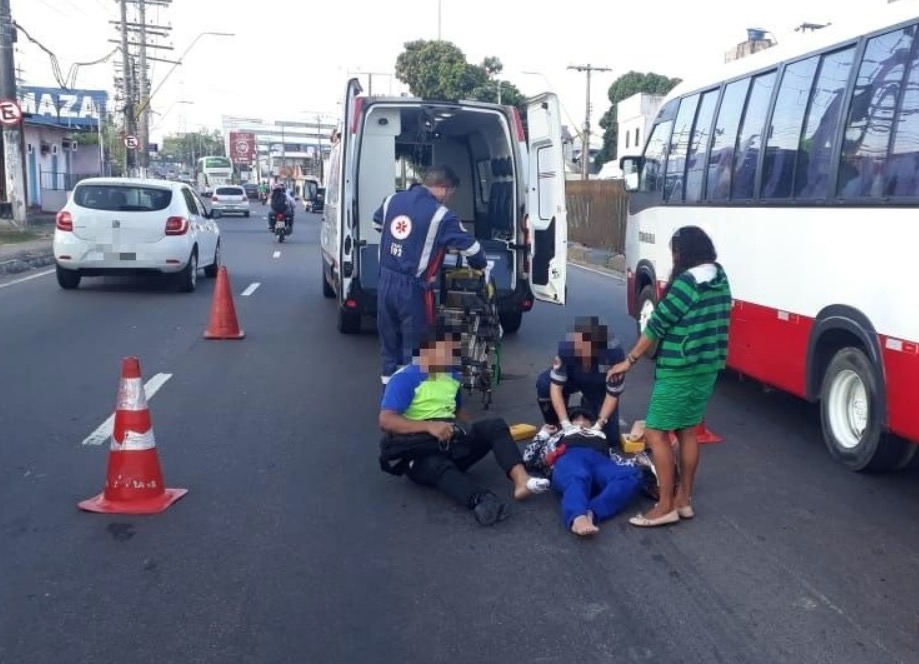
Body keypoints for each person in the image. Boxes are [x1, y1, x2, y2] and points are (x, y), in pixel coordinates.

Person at [607, 226, 731, 527]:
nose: (672, 258)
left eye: (674, 252)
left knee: (655, 433)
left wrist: (629, 361)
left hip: (680, 368)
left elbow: (657, 325)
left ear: (682, 253)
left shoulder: (687, 284)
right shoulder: (720, 276)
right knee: (687, 430)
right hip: (707, 367)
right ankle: (683, 500)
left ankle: (664, 507)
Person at [378, 319, 550, 526]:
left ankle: (522, 480)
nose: (451, 356)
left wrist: (475, 433)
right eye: (446, 351)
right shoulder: (405, 378)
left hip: (449, 442)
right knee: (435, 465)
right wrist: (429, 426)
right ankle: (480, 499)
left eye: (453, 351)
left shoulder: (451, 375)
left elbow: (458, 411)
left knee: (494, 425)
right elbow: (386, 420)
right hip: (419, 452)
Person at [373, 165, 487, 385]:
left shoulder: (392, 200)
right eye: (450, 193)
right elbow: (473, 249)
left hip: (385, 280)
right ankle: (411, 397)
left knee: (389, 344)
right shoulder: (441, 215)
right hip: (412, 289)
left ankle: (389, 393)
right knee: (414, 349)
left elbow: (377, 223)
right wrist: (479, 266)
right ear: (443, 188)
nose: (448, 199)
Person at [524, 401, 642, 537]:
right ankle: (577, 516)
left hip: (599, 460)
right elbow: (528, 458)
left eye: (585, 419)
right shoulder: (560, 435)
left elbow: (617, 461)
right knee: (578, 475)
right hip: (570, 457)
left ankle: (592, 511)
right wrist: (543, 433)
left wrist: (637, 461)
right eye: (576, 419)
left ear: (591, 423)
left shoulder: (599, 436)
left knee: (632, 476)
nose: (581, 422)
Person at [536, 316, 625, 441]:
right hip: (573, 377)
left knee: (609, 439)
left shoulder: (614, 355)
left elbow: (612, 394)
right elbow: (556, 387)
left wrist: (599, 425)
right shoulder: (566, 349)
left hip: (599, 384)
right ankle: (554, 425)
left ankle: (588, 404)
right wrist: (565, 423)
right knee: (544, 383)